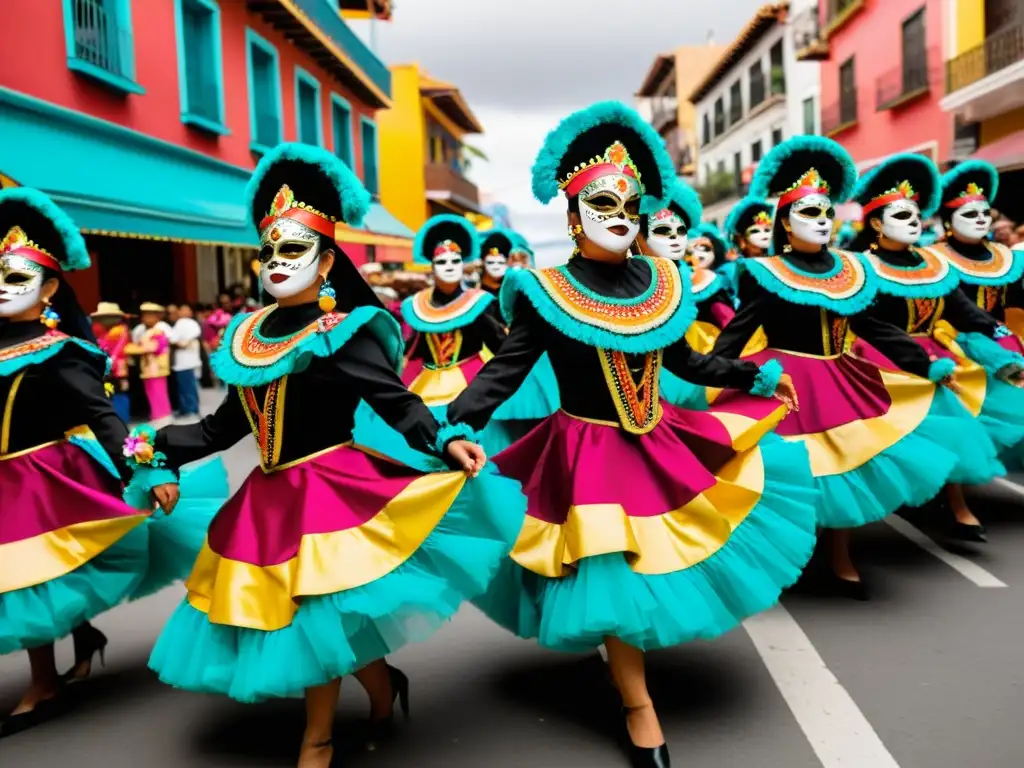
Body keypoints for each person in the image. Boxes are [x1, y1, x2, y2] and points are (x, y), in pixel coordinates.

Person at [445, 101, 817, 768]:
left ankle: (631, 675)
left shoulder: (661, 283)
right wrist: (459, 425)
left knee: (665, 555)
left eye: (628, 204)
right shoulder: (545, 291)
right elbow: (506, 370)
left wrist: (753, 377)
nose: (618, 215)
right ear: (571, 216)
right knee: (607, 571)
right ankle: (638, 703)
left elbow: (685, 362)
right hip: (585, 455)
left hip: (661, 440)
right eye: (600, 202)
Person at [135, 144, 524, 768]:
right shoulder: (247, 338)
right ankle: (383, 684)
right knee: (320, 615)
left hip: (331, 492)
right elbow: (225, 424)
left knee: (321, 608)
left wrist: (444, 437)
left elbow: (395, 401)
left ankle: (316, 740)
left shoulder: (343, 329)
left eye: (293, 249)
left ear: (325, 262)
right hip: (266, 500)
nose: (276, 263)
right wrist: (159, 453)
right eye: (269, 251)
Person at [0, 187, 225, 737]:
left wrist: (145, 470)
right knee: (37, 575)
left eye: (14, 277)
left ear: (49, 287)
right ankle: (81, 638)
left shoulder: (62, 351)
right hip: (6, 475)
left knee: (27, 578)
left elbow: (103, 416)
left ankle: (45, 680)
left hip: (44, 475)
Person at [712, 136, 968, 599]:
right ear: (786, 225)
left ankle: (838, 554)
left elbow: (873, 327)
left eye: (827, 211)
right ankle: (790, 551)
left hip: (840, 377)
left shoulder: (852, 270)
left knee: (846, 467)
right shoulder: (765, 272)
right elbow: (736, 333)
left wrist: (923, 362)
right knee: (791, 474)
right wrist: (716, 376)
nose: (822, 221)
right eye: (809, 213)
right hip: (785, 383)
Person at [846, 152, 1019, 540]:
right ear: (876, 222)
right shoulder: (860, 267)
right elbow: (863, 323)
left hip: (935, 353)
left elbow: (962, 310)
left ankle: (951, 502)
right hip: (880, 358)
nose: (915, 224)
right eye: (904, 217)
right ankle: (945, 504)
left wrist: (998, 336)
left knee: (965, 411)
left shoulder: (932, 264)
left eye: (916, 216)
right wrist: (913, 357)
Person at [931, 161, 1024, 355]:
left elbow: (1016, 301)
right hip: (955, 345)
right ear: (948, 222)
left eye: (985, 213)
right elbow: (959, 310)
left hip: (1008, 339)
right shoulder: (934, 260)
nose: (981, 219)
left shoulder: (1004, 256)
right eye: (971, 214)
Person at [127, 303, 173, 426]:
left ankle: (161, 417)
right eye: (145, 316)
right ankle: (156, 415)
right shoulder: (146, 330)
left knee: (158, 391)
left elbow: (153, 347)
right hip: (148, 368)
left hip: (157, 367)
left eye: (149, 316)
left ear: (157, 317)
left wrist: (129, 349)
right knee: (151, 392)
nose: (145, 319)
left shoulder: (159, 331)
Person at [90, 302, 132, 423]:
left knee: (120, 392)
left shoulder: (120, 330)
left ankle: (123, 419)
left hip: (118, 368)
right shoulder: (102, 331)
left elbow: (117, 349)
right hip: (106, 367)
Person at [169, 303, 202, 418]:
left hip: (189, 360)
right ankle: (184, 409)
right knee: (183, 386)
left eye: (185, 310)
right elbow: (173, 338)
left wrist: (183, 342)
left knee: (189, 386)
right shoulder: (178, 323)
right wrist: (179, 343)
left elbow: (193, 334)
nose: (183, 312)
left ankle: (192, 409)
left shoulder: (192, 323)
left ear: (190, 312)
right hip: (181, 361)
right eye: (181, 309)